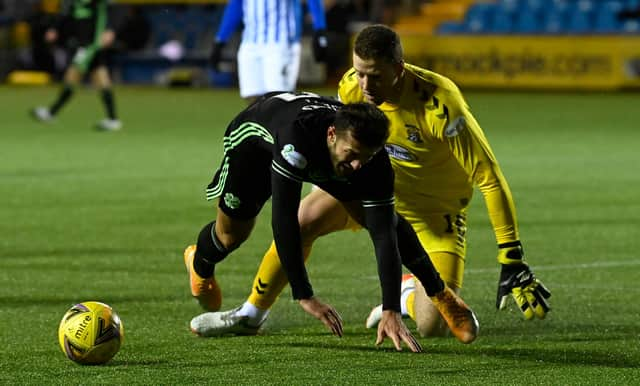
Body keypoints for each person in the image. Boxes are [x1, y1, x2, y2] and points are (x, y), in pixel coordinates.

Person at [192, 24, 551, 340]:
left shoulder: (442, 106)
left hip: (433, 210)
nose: (364, 85)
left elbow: (489, 179)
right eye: (359, 72)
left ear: (398, 69)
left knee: (432, 327)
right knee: (301, 221)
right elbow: (338, 144)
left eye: (375, 76)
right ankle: (251, 313)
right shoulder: (351, 87)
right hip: (367, 182)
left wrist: (511, 257)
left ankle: (407, 292)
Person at [183, 91, 479, 352]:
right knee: (231, 236)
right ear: (331, 136)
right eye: (352, 155)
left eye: (365, 157)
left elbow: (385, 233)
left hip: (320, 155)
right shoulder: (297, 139)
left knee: (378, 218)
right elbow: (284, 220)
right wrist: (304, 294)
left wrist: (390, 308)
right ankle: (200, 265)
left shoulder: (365, 159)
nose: (357, 165)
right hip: (253, 148)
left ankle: (440, 294)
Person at [208, 0, 328, 103]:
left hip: (281, 42)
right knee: (252, 97)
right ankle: (262, 129)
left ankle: (283, 129)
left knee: (280, 100)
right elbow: (236, 5)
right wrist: (220, 40)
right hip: (250, 41)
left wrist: (320, 29)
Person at [30, 0, 122, 131]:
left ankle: (51, 112)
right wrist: (55, 30)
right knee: (99, 79)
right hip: (83, 46)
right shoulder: (75, 3)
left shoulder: (98, 3)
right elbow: (66, 18)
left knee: (73, 77)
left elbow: (113, 11)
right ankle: (113, 119)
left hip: (92, 46)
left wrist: (110, 30)